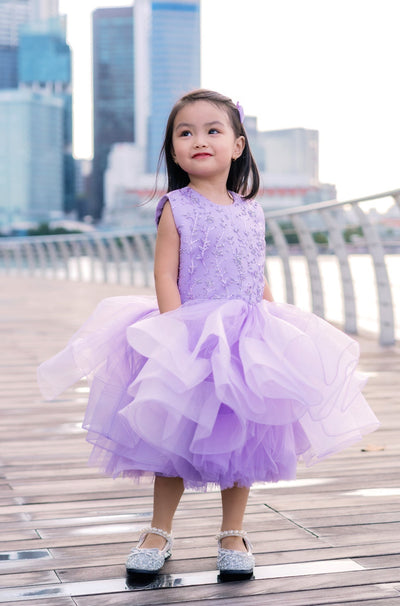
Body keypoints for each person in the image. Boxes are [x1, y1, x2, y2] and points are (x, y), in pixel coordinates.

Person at [37, 89, 379, 581]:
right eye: (185, 132)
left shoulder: (251, 209)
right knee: (175, 438)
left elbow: (254, 270)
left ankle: (233, 531)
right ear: (173, 150)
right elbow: (164, 275)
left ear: (237, 145)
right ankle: (159, 530)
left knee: (244, 437)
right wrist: (174, 335)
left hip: (247, 338)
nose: (199, 140)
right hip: (190, 335)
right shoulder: (177, 206)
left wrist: (273, 321)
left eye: (212, 130)